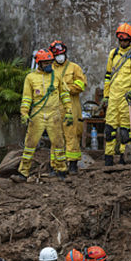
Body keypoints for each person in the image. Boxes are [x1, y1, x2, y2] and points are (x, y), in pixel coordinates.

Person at [13, 50, 73, 182]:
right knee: (30, 144)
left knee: (58, 143)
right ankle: (23, 173)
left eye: (50, 62)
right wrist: (24, 113)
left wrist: (68, 111)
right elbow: (27, 98)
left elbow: (64, 94)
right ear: (39, 63)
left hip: (54, 114)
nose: (48, 65)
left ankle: (61, 170)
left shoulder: (56, 76)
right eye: (45, 63)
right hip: (37, 115)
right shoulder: (30, 78)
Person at [102, 23, 131, 166]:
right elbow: (108, 76)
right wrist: (106, 95)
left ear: (130, 40)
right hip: (113, 97)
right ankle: (108, 157)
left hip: (127, 97)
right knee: (110, 129)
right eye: (121, 40)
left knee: (125, 131)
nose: (123, 42)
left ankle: (123, 158)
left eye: (125, 40)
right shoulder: (113, 54)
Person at [50, 40, 88, 174]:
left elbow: (82, 84)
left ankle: (72, 165)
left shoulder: (74, 68)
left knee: (72, 134)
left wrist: (68, 89)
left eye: (61, 54)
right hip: (55, 106)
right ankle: (56, 166)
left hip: (71, 105)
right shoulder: (50, 69)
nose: (59, 57)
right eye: (57, 55)